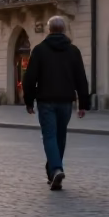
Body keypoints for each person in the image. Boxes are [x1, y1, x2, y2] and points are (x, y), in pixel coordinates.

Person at [22, 15, 90, 191]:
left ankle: (56, 169)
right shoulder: (73, 51)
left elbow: (29, 78)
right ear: (64, 30)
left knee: (49, 136)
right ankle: (53, 171)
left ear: (49, 30)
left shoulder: (40, 50)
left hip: (46, 100)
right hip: (66, 100)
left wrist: (29, 100)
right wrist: (83, 103)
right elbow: (81, 78)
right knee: (60, 136)